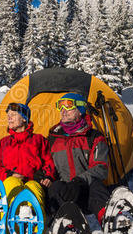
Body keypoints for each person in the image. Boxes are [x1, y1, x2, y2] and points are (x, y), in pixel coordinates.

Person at [47, 93, 112, 226]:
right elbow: (48, 166)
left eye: (68, 106)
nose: (63, 111)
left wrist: (80, 180)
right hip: (66, 194)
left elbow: (101, 168)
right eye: (60, 107)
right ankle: (67, 226)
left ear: (80, 110)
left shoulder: (93, 137)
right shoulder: (53, 139)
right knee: (55, 187)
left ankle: (108, 219)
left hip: (87, 192)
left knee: (97, 185)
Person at [0, 102, 55, 214]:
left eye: (13, 114)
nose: (9, 118)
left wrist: (48, 176)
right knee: (13, 183)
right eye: (8, 115)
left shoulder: (39, 140)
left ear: (24, 119)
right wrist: (9, 175)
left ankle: (35, 228)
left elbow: (49, 162)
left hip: (32, 181)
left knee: (33, 188)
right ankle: (8, 226)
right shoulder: (2, 144)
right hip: (9, 182)